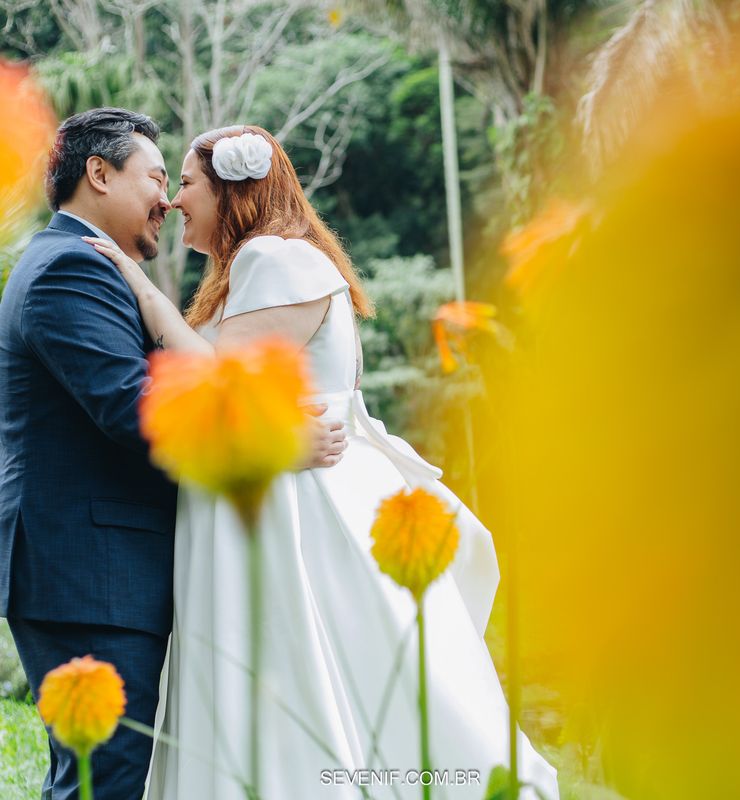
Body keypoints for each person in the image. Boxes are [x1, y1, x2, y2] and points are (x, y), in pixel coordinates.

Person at [86, 124, 559, 799]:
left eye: (186, 182)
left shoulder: (274, 259)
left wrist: (136, 281)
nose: (173, 201)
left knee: (309, 675)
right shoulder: (256, 267)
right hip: (274, 486)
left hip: (296, 504)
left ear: (233, 189)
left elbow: (214, 378)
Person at [0, 108, 346, 800]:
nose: (168, 198)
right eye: (159, 177)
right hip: (90, 580)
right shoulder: (71, 267)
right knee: (104, 781)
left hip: (106, 574)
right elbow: (140, 411)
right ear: (99, 174)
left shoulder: (93, 265)